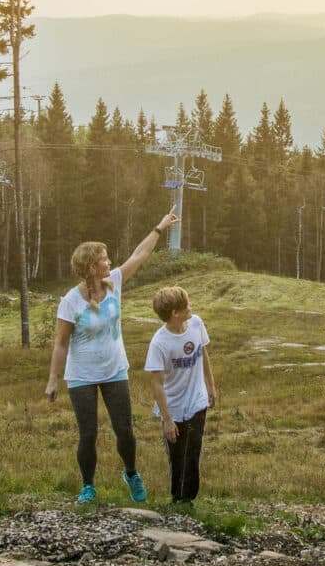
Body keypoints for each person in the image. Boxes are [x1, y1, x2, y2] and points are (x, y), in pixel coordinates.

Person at [45, 210, 177, 504]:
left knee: (125, 431)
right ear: (92, 266)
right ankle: (88, 486)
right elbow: (61, 344)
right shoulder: (70, 301)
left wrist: (159, 227)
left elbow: (139, 255)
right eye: (104, 258)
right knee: (88, 434)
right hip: (81, 376)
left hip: (115, 370)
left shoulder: (113, 283)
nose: (109, 261)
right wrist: (53, 379)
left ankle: (131, 473)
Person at [143, 285, 217, 507]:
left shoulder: (196, 323)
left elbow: (203, 353)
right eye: (187, 304)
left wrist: (211, 386)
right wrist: (166, 419)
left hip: (196, 401)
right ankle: (177, 498)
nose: (191, 306)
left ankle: (188, 500)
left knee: (192, 452)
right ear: (175, 312)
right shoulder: (159, 343)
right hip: (172, 408)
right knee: (177, 455)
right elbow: (156, 383)